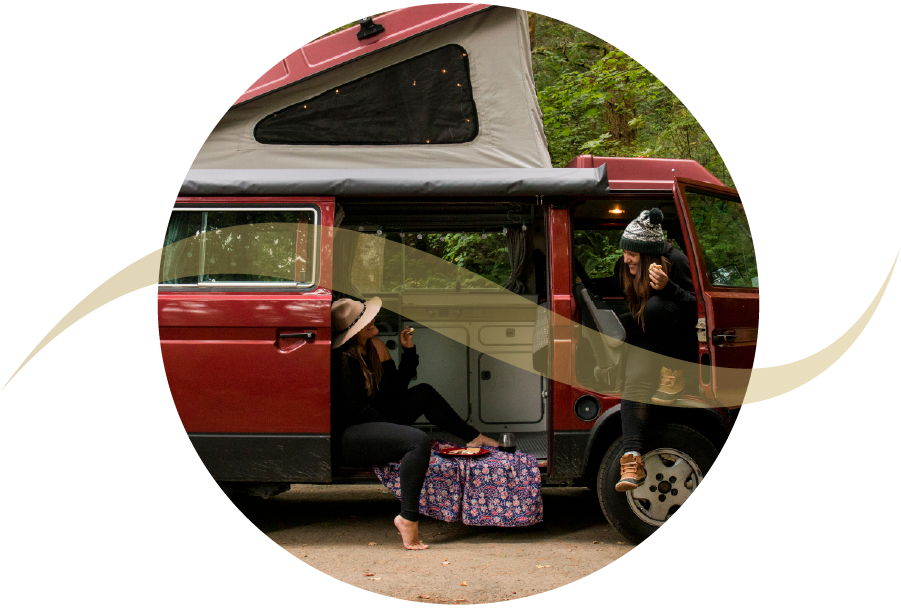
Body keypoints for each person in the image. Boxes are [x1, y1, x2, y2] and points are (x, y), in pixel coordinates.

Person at [330, 297, 499, 550]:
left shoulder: (373, 348)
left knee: (424, 393)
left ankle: (474, 437)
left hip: (375, 419)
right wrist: (396, 433)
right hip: (351, 434)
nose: (372, 320)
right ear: (354, 330)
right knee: (417, 440)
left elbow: (395, 389)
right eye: (365, 319)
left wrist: (408, 350)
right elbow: (360, 411)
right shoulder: (344, 359)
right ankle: (407, 519)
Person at [575, 208, 697, 492]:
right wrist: (580, 282)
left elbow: (696, 308)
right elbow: (610, 285)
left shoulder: (675, 262)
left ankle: (672, 372)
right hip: (647, 335)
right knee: (632, 371)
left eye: (631, 253)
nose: (626, 258)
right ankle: (632, 461)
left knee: (655, 307)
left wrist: (668, 287)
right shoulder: (627, 267)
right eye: (625, 252)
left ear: (648, 253)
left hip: (677, 344)